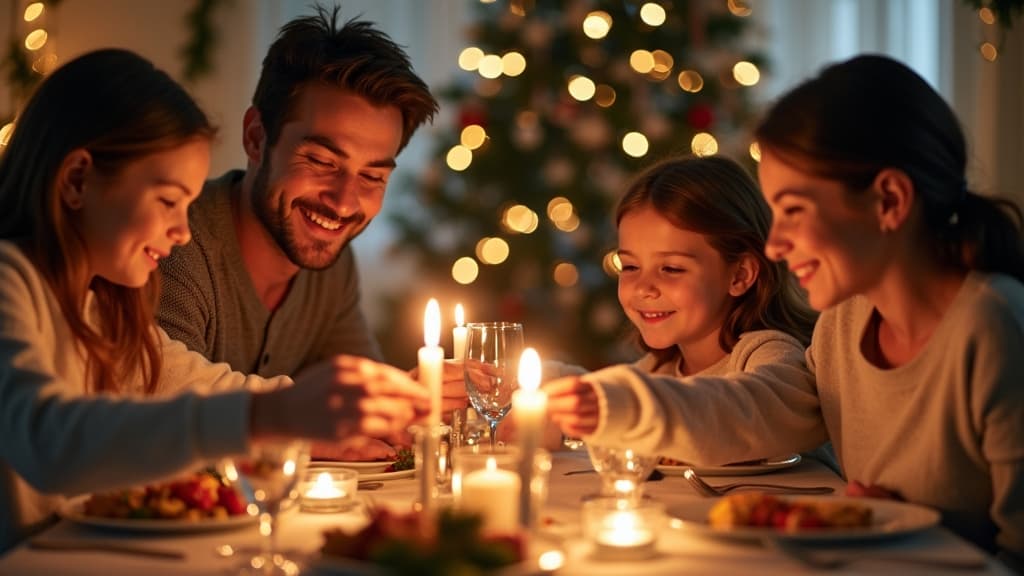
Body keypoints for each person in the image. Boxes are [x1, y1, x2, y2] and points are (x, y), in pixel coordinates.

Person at [547, 55, 1024, 569]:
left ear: (888, 199)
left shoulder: (993, 328)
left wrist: (911, 545)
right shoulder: (843, 328)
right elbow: (752, 407)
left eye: (793, 211)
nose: (774, 245)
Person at [0, 48, 427, 552]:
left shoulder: (101, 307)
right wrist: (271, 417)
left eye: (185, 205)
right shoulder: (10, 280)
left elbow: (197, 387)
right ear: (77, 180)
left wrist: (348, 408)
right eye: (167, 202)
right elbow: (50, 440)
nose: (182, 230)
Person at [155, 6, 447, 460]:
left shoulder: (329, 260)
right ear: (256, 138)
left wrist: (409, 402)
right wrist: (297, 424)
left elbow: (356, 403)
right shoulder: (172, 244)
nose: (344, 201)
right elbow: (154, 401)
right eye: (323, 162)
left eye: (372, 176)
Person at [547, 154, 819, 454]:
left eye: (672, 268)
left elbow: (746, 411)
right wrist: (543, 384)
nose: (643, 288)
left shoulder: (770, 353)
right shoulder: (661, 368)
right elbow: (614, 401)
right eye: (630, 267)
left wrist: (630, 406)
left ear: (740, 274)